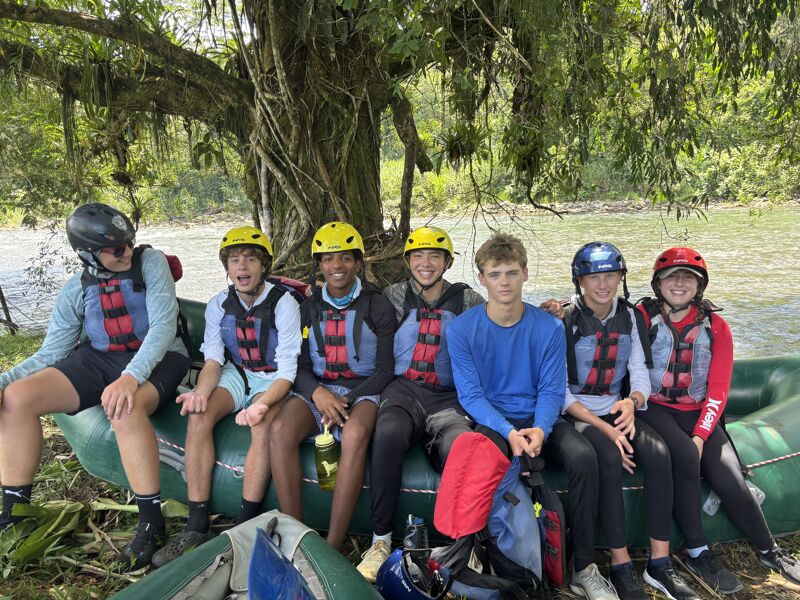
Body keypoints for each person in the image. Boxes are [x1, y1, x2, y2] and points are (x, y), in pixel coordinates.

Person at [0, 203, 191, 570]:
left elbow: (163, 327)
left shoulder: (151, 263)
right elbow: (52, 351)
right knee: (15, 398)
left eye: (129, 243)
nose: (127, 252)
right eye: (116, 248)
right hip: (101, 358)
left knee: (125, 406)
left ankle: (151, 523)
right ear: (88, 253)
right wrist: (5, 380)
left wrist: (130, 377)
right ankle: (16, 514)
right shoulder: (76, 289)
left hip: (162, 355)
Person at [636, 247, 800, 594]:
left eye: (688, 278)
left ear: (700, 286)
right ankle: (698, 551)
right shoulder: (640, 318)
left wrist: (701, 434)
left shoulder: (716, 327)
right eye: (672, 277)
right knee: (684, 456)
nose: (679, 284)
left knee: (729, 474)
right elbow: (601, 318)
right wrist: (562, 308)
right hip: (655, 410)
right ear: (658, 284)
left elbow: (719, 389)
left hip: (698, 413)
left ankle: (769, 550)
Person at [151, 226, 302, 567]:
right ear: (227, 267)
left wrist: (263, 404)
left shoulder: (284, 304)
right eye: (234, 260)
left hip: (273, 378)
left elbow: (287, 371)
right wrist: (200, 394)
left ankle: (245, 524)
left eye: (250, 259)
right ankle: (196, 523)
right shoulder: (219, 303)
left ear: (264, 265)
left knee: (261, 425)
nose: (242, 266)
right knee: (198, 415)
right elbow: (214, 360)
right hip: (239, 372)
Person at [561, 242, 699, 600]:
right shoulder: (564, 320)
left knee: (658, 454)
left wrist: (632, 402)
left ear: (620, 278)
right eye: (594, 277)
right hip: (578, 413)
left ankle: (659, 564)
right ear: (580, 281)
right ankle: (621, 564)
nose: (602, 285)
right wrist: (605, 428)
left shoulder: (631, 318)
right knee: (609, 456)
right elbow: (559, 391)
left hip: (617, 407)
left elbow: (639, 372)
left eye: (610, 276)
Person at [356, 226, 484, 582]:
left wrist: (552, 310)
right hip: (404, 391)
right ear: (408, 261)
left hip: (448, 397)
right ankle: (380, 541)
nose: (425, 263)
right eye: (418, 256)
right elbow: (360, 308)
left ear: (447, 262)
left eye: (434, 256)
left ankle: (465, 543)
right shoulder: (394, 296)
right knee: (388, 433)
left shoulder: (468, 300)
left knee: (460, 446)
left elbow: (501, 320)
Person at [445, 232, 569, 576]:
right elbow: (471, 395)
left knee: (584, 458)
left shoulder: (550, 328)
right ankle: (483, 553)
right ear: (481, 278)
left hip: (539, 417)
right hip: (494, 418)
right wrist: (509, 432)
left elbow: (551, 390)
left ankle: (585, 563)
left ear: (525, 273)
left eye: (512, 272)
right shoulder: (461, 330)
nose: (504, 281)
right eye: (495, 274)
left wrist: (541, 429)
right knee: (484, 462)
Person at [269, 222, 396, 551]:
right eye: (328, 259)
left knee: (355, 434)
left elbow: (385, 370)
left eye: (344, 258)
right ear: (319, 266)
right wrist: (318, 394)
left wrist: (346, 399)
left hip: (363, 391)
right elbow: (298, 366)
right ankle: (296, 537)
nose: (336, 266)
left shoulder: (377, 305)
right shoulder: (307, 308)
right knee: (280, 430)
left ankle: (332, 545)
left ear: (358, 263)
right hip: (317, 389)